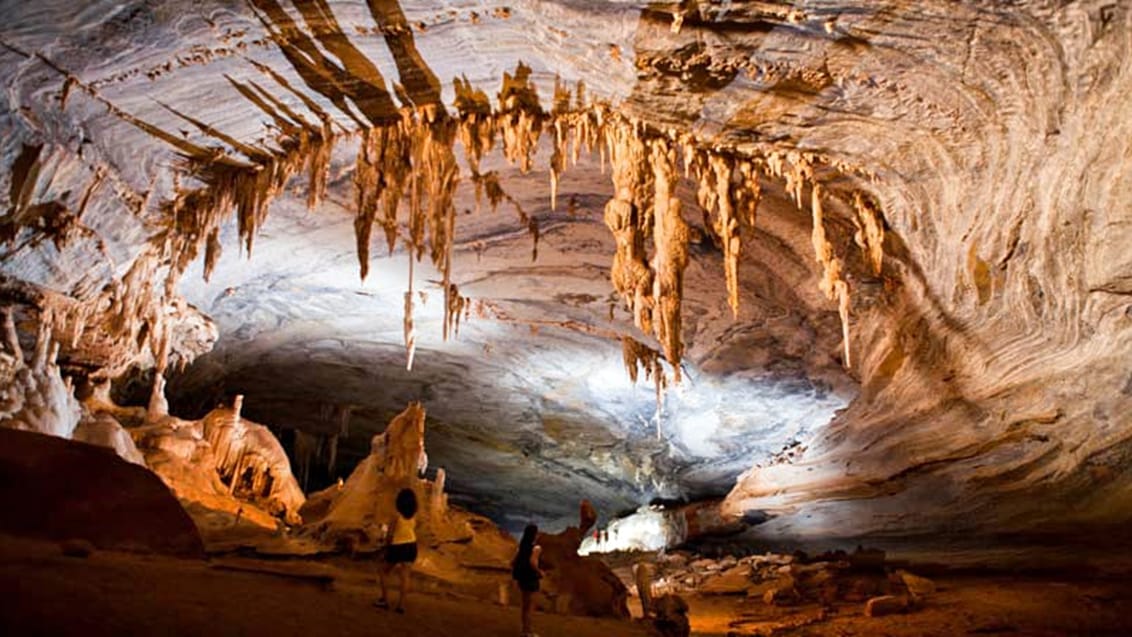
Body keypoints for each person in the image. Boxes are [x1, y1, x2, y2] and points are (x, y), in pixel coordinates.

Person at [376, 488, 418, 613]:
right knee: (405, 576)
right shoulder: (414, 516)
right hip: (411, 546)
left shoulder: (396, 516)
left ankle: (384, 599)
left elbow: (389, 535)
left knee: (383, 571)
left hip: (398, 545)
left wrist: (386, 548)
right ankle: (401, 605)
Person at [511, 524, 544, 637]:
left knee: (525, 606)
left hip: (522, 579)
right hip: (531, 579)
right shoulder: (536, 548)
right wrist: (539, 572)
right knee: (530, 607)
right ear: (534, 534)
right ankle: (529, 632)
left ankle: (524, 631)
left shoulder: (521, 547)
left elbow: (513, 561)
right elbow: (533, 562)